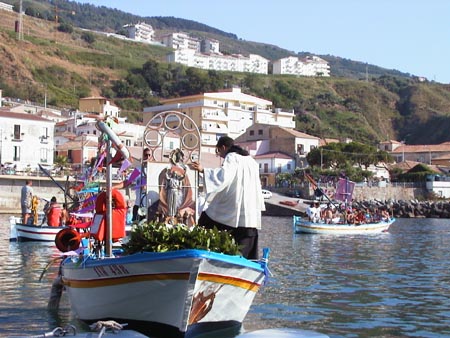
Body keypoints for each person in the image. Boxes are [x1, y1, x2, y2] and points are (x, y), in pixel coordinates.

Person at [190, 136, 265, 259]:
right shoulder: (251, 160)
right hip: (250, 211)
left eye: (218, 153)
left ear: (223, 148)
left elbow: (223, 177)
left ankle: (201, 255)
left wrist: (203, 170)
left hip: (234, 206)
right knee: (243, 247)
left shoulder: (232, 157)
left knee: (206, 219)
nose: (220, 157)